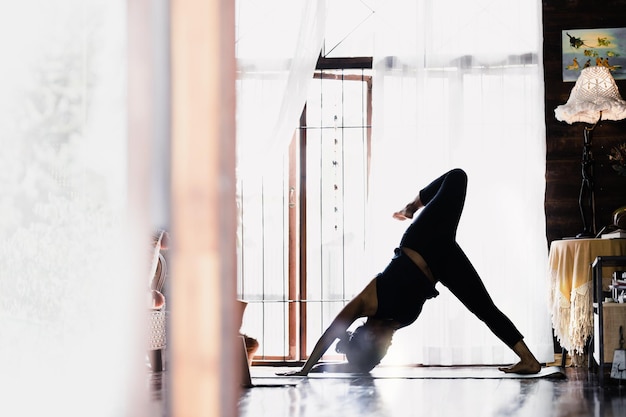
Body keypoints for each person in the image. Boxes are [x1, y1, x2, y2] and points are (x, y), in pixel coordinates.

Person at [279, 168, 541, 376]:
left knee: (457, 178)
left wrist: (304, 369)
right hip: (443, 263)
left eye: (382, 348)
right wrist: (322, 369)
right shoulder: (395, 324)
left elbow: (331, 333)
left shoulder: (367, 302)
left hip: (423, 240)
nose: (390, 346)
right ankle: (528, 360)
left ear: (369, 335)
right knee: (484, 308)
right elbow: (354, 366)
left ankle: (410, 207)